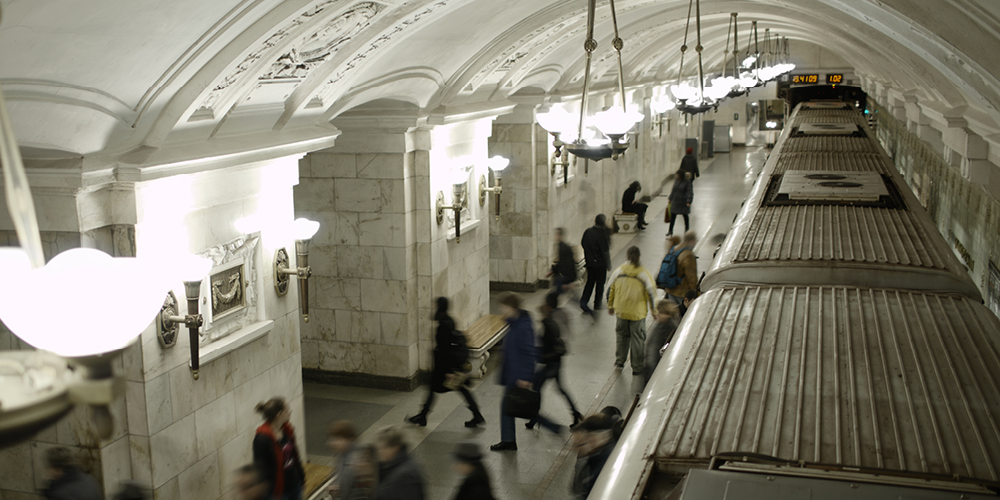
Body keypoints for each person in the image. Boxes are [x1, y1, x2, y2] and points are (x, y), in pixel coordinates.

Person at [492, 293, 560, 451]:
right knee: (512, 407)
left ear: (511, 307)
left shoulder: (523, 326)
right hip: (513, 374)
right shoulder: (514, 323)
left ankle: (552, 427)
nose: (502, 310)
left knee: (520, 408)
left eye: (504, 307)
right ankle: (509, 440)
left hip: (518, 376)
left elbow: (530, 353)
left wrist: (525, 377)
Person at [408, 297, 485, 428]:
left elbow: (445, 349)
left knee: (444, 388)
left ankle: (423, 416)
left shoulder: (443, 325)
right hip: (448, 365)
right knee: (454, 388)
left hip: (445, 367)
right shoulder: (449, 320)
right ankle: (423, 415)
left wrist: (449, 371)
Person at [526, 294, 584, 429]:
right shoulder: (561, 315)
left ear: (547, 306)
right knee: (561, 389)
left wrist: (538, 354)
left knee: (537, 388)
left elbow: (546, 345)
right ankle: (575, 414)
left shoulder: (549, 322)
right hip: (557, 361)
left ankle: (535, 418)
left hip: (550, 363)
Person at [606, 246, 656, 375]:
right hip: (637, 313)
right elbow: (650, 293)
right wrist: (654, 310)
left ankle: (619, 362)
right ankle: (637, 367)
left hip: (621, 311)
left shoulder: (618, 271)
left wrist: (610, 305)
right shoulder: (643, 274)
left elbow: (610, 289)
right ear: (639, 257)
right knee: (638, 339)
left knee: (622, 336)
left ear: (627, 256)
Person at [252, 397, 305, 500]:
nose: (290, 412)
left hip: (294, 484)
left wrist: (301, 478)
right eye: (287, 410)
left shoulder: (287, 430)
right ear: (278, 414)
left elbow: (294, 457)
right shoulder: (262, 439)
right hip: (277, 491)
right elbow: (259, 468)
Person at [569, 414, 618, 500]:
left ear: (594, 439)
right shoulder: (599, 454)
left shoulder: (602, 466)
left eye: (580, 444)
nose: (575, 448)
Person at [372, 426, 425, 500]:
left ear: (395, 447)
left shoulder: (405, 476)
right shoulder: (391, 465)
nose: (380, 452)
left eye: (384, 448)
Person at [327, 421, 375, 500]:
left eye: (338, 439)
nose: (332, 443)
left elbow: (363, 493)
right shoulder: (343, 455)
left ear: (349, 440)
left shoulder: (360, 460)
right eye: (332, 439)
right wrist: (339, 489)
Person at [580, 214, 612, 316]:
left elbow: (583, 243)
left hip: (589, 263)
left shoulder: (588, 232)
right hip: (600, 265)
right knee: (600, 284)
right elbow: (605, 252)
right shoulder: (602, 235)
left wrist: (589, 254)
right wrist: (608, 264)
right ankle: (597, 303)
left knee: (590, 282)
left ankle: (583, 301)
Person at [644, 300, 680, 385]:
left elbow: (653, 350)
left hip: (656, 369)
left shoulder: (668, 327)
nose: (658, 315)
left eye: (660, 312)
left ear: (666, 313)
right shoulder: (667, 324)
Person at [664, 231, 699, 305]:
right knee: (681, 314)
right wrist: (694, 293)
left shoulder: (674, 249)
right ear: (692, 241)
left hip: (670, 289)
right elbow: (691, 277)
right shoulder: (689, 254)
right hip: (681, 292)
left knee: (673, 312)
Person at [548, 227, 578, 301]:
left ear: (560, 236)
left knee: (555, 293)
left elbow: (564, 263)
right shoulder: (562, 246)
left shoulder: (562, 247)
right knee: (556, 289)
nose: (555, 236)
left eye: (556, 234)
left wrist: (567, 281)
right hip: (567, 275)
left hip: (567, 275)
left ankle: (568, 287)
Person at [667, 170, 693, 235]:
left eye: (677, 175)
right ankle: (670, 231)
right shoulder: (676, 180)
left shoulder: (687, 182)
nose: (676, 176)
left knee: (685, 216)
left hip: (683, 202)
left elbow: (690, 192)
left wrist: (689, 201)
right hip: (675, 201)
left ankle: (687, 230)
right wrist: (670, 198)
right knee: (673, 216)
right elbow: (673, 190)